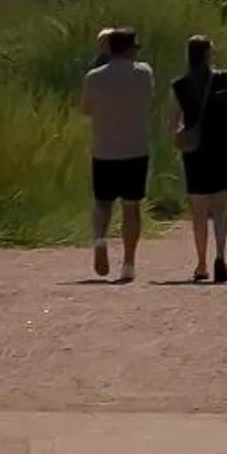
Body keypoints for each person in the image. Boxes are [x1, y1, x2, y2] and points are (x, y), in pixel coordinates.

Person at [78, 25, 156, 282]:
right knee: (131, 207)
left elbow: (87, 110)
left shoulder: (94, 77)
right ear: (132, 48)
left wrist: (103, 55)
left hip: (104, 148)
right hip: (135, 148)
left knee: (102, 202)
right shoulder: (144, 73)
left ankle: (100, 238)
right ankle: (129, 263)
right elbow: (148, 98)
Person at [171, 34, 227, 284]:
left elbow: (173, 123)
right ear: (208, 54)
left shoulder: (180, 85)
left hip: (196, 153)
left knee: (199, 211)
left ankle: (201, 263)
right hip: (222, 149)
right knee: (220, 210)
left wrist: (185, 132)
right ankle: (221, 257)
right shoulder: (223, 79)